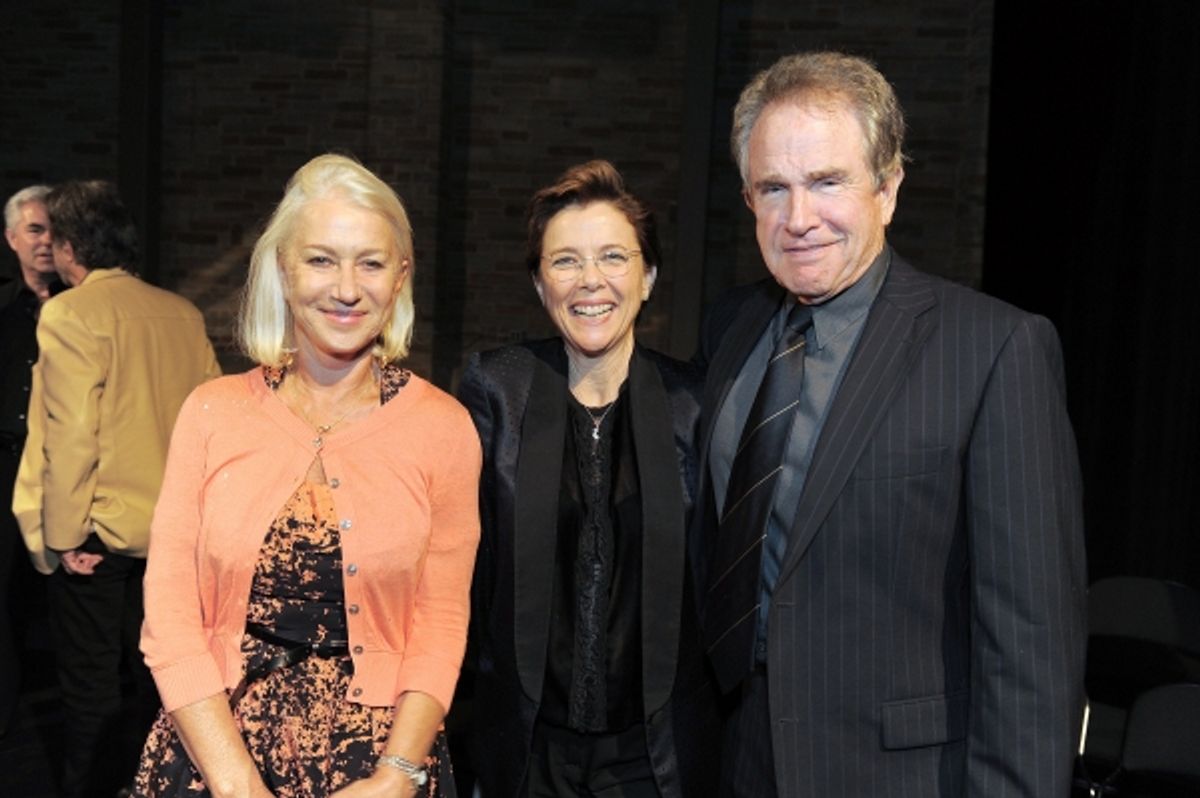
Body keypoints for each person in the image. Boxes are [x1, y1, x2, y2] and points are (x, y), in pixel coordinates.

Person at [693, 52, 1087, 797]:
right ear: (748, 200)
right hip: (741, 762)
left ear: (889, 188)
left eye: (827, 182)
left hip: (903, 776)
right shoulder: (732, 331)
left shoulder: (995, 350)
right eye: (774, 188)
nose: (798, 217)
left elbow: (1032, 648)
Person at [133, 153, 482, 798]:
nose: (347, 289)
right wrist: (236, 783)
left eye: (371, 263)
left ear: (401, 276)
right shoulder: (211, 413)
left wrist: (398, 775)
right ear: (282, 270)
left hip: (377, 768)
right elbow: (170, 617)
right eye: (321, 259)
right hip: (214, 754)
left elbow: (441, 623)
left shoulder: (445, 428)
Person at [457, 160, 719, 797]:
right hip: (523, 751)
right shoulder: (498, 389)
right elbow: (464, 571)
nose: (590, 281)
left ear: (648, 276)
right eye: (565, 261)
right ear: (540, 284)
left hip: (654, 759)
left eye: (613, 257)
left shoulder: (695, 402)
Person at [12, 179, 222, 797]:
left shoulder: (69, 313)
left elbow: (71, 434)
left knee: (91, 697)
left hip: (97, 539)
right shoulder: (180, 314)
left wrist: (64, 534)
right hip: (175, 539)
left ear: (72, 247)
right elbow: (209, 424)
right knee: (163, 687)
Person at [1, 184, 60, 737]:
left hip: (66, 468)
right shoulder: (2, 308)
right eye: (34, 230)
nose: (45, 242)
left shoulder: (85, 307)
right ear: (12, 238)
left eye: (52, 230)